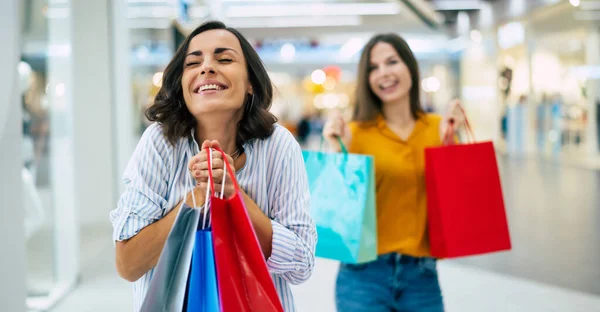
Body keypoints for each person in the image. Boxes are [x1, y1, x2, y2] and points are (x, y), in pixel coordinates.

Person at [110, 21, 317, 312]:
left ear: (250, 84)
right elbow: (128, 263)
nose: (206, 68)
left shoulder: (278, 145)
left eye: (224, 59)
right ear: (182, 86)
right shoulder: (159, 142)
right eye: (193, 62)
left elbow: (301, 264)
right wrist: (194, 200)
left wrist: (235, 197)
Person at [323, 33, 460, 312]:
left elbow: (456, 202)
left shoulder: (438, 128)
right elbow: (336, 211)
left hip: (421, 275)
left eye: (391, 62)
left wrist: (455, 145)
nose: (383, 73)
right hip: (363, 276)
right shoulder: (354, 133)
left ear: (410, 66)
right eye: (373, 68)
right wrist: (337, 152)